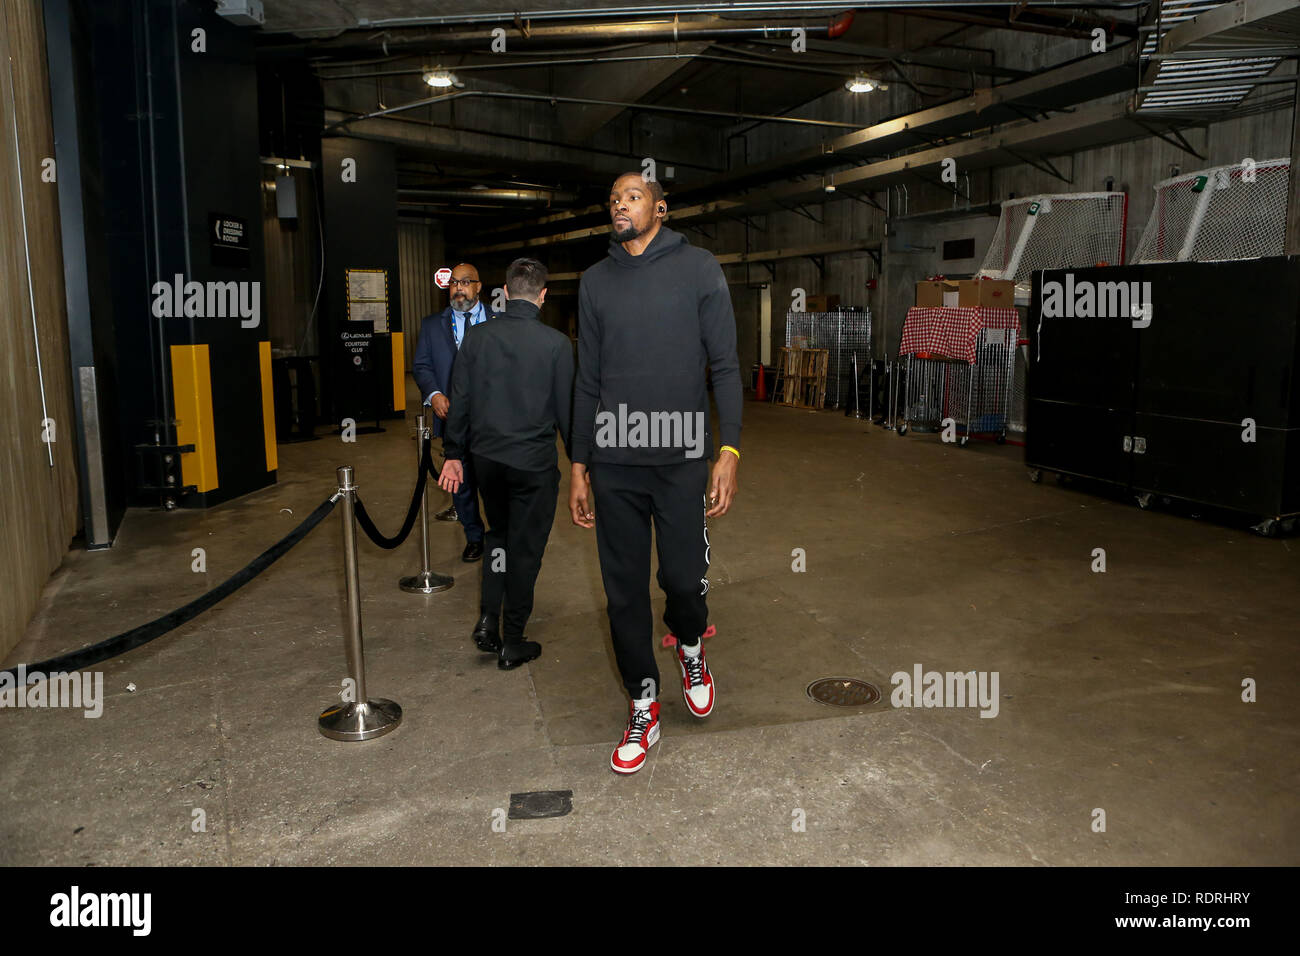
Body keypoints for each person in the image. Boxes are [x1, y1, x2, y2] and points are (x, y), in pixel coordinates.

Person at [570, 172, 742, 774]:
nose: (619, 203)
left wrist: (730, 452)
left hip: (681, 459)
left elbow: (724, 365)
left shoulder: (698, 269)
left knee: (683, 582)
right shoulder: (595, 282)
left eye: (632, 196)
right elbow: (585, 380)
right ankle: (643, 702)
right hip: (615, 461)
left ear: (660, 209)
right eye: (613, 197)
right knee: (621, 592)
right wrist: (578, 464)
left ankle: (691, 646)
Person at [439, 258, 574, 670]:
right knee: (526, 550)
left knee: (498, 538)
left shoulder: (476, 339)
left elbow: (459, 400)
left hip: (488, 462)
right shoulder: (557, 346)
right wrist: (583, 466)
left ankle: (487, 619)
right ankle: (512, 640)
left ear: (505, 291)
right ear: (543, 295)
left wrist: (453, 455)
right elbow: (567, 414)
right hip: (532, 466)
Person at [413, 262, 495, 562]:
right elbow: (421, 366)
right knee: (460, 483)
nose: (458, 288)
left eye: (465, 282)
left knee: (493, 481)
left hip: (492, 421)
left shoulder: (499, 320)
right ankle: (474, 536)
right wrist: (434, 394)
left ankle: (499, 536)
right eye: (454, 283)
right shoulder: (432, 325)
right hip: (452, 419)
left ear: (478, 286)